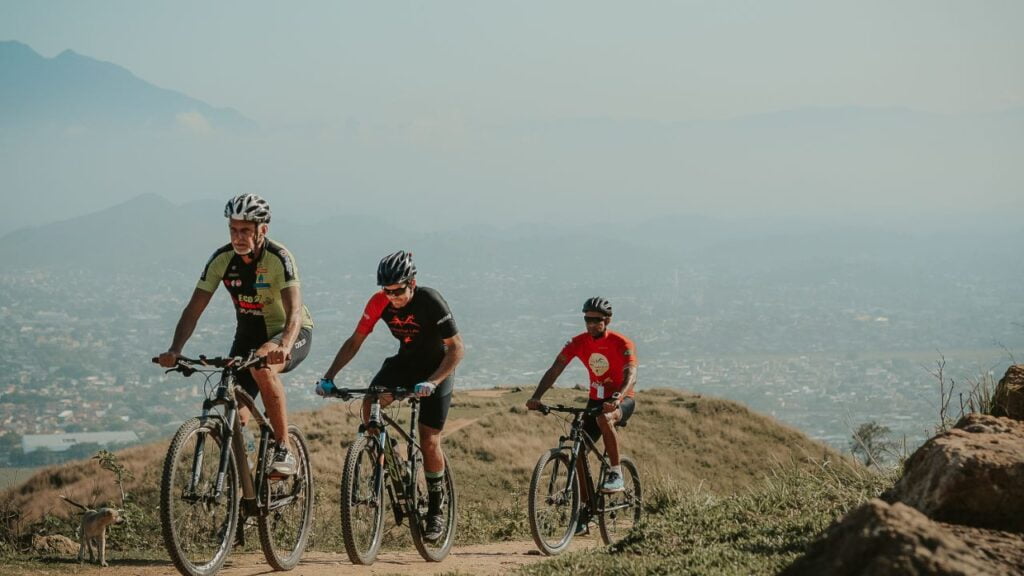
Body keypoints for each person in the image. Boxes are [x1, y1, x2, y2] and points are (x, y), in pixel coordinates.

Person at [158, 194, 313, 476]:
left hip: (290, 331)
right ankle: (247, 473)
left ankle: (284, 448)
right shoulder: (222, 259)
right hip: (248, 335)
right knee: (235, 412)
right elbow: (193, 309)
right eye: (233, 229)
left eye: (245, 230)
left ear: (262, 230)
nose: (237, 236)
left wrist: (286, 344)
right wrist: (175, 348)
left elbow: (294, 311)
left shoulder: (279, 257)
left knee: (263, 368)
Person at [318, 250, 464, 543]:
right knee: (370, 402)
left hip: (436, 369)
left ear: (412, 282)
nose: (393, 296)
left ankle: (435, 509)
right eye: (387, 290)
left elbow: (456, 349)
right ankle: (385, 453)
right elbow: (355, 341)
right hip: (405, 364)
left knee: (429, 439)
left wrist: (434, 382)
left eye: (398, 290)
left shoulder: (431, 301)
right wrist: (329, 377)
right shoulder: (379, 302)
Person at [526, 297, 637, 533]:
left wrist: (617, 397)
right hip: (596, 399)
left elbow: (631, 375)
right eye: (587, 319)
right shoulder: (578, 342)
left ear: (606, 321)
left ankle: (615, 472)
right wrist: (537, 397)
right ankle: (586, 510)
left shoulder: (621, 343)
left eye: (596, 320)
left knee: (604, 419)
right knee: (578, 453)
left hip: (622, 399)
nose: (590, 324)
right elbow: (556, 368)